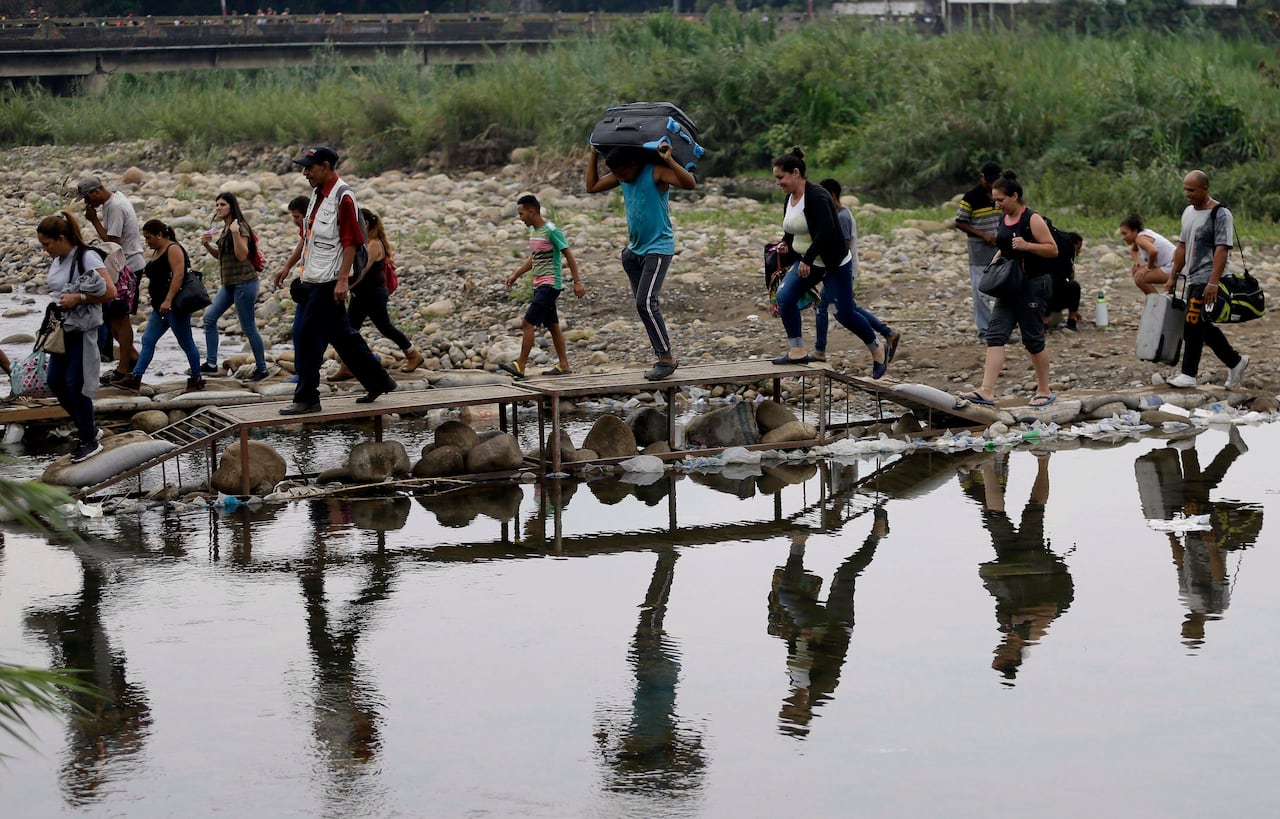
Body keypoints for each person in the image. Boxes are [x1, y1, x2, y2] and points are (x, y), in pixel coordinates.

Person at [272, 146, 397, 415]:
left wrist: (343, 279)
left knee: (306, 336)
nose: (305, 172)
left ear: (326, 166)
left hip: (330, 279)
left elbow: (351, 240)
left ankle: (307, 398)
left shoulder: (344, 197)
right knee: (342, 336)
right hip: (314, 277)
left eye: (310, 167)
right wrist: (287, 267)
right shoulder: (317, 194)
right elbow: (308, 238)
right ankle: (379, 380)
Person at [769, 149, 886, 377]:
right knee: (784, 297)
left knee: (844, 313)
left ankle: (878, 348)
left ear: (795, 173)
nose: (777, 183)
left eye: (780, 177)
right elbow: (791, 229)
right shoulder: (790, 197)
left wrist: (807, 259)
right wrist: (785, 242)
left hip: (833, 263)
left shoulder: (818, 196)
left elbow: (826, 231)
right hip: (808, 261)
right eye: (776, 178)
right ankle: (797, 350)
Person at [585, 142, 696, 381]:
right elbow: (591, 186)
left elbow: (690, 184)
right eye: (617, 174)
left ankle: (666, 359)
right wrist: (594, 154)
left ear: (634, 164)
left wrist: (668, 159)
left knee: (645, 303)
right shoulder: (622, 176)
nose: (621, 178)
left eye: (623, 173)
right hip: (633, 252)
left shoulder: (655, 171)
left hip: (658, 248)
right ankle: (662, 355)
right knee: (642, 305)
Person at [963, 171, 1058, 407]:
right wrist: (995, 262)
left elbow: (1052, 249)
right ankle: (987, 391)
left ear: (1015, 196)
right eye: (995, 200)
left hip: (1033, 285)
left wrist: (1027, 245)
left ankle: (1044, 390)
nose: (997, 204)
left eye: (1001, 200)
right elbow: (1005, 246)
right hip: (1009, 286)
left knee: (1033, 340)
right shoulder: (1003, 219)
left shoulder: (1032, 219)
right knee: (995, 336)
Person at [36, 211, 115, 463]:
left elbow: (110, 292)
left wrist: (79, 298)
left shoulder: (86, 256)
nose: (44, 249)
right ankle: (88, 427)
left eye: (46, 244)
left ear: (61, 238)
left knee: (75, 382)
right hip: (64, 328)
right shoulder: (58, 259)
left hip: (86, 330)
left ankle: (89, 439)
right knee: (56, 382)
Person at [1166, 170, 1250, 389]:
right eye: (1185, 189)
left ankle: (1188, 374)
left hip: (1209, 277)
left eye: (1191, 190)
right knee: (1201, 324)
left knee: (1192, 323)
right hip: (1192, 277)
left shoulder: (1220, 214)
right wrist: (1173, 275)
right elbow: (1182, 247)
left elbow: (1222, 249)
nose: (1187, 194)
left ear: (1205, 189)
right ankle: (1235, 361)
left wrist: (1213, 282)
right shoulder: (1187, 213)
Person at [329, 208, 424, 381]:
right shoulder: (364, 242)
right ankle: (348, 366)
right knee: (350, 329)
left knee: (382, 326)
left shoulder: (373, 245)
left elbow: (362, 272)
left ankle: (413, 355)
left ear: (365, 223)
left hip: (373, 294)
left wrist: (344, 287)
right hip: (362, 294)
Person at [498, 194, 586, 379]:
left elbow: (569, 256)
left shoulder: (552, 230)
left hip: (550, 283)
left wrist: (577, 282)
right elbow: (535, 257)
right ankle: (564, 365)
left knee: (528, 323)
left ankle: (520, 365)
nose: (520, 218)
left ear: (532, 211)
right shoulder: (534, 231)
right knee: (553, 325)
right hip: (540, 284)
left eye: (521, 214)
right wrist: (516, 274)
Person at [815, 177, 900, 364]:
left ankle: (820, 350)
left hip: (842, 271)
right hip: (838, 271)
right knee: (845, 308)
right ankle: (888, 332)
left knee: (827, 307)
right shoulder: (837, 215)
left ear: (832, 195)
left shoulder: (842, 217)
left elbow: (841, 249)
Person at [116, 220, 204, 393]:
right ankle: (136, 377)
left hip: (174, 305)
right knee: (148, 340)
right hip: (160, 307)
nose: (147, 242)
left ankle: (196, 378)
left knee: (186, 342)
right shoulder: (158, 250)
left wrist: (169, 300)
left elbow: (178, 276)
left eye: (149, 238)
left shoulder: (173, 249)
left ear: (159, 235)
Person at [198, 192, 269, 381]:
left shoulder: (240, 227)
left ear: (231, 206)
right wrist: (207, 245)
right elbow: (221, 256)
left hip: (245, 283)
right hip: (229, 284)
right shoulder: (225, 228)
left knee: (249, 327)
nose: (218, 208)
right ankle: (211, 364)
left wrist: (236, 233)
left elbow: (241, 255)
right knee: (209, 318)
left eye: (222, 204)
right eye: (217, 205)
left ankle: (262, 369)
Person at [77, 175, 141, 381]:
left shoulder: (113, 207)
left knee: (119, 319)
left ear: (96, 192)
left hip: (125, 267)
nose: (88, 203)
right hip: (125, 264)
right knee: (116, 319)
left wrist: (94, 220)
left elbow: (112, 242)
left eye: (88, 198)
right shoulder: (116, 198)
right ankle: (133, 360)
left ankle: (124, 369)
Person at [954, 161, 1003, 339]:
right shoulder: (971, 197)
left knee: (1004, 290)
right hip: (979, 251)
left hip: (1001, 249)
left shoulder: (1002, 194)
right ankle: (985, 330)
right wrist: (982, 235)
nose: (991, 185)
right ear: (982, 178)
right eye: (988, 181)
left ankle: (1001, 328)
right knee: (981, 292)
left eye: (994, 182)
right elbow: (959, 222)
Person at [1120, 213, 1175, 296]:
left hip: (1175, 267)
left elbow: (1153, 251)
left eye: (1125, 233)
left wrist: (1148, 268)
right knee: (1138, 272)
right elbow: (1134, 251)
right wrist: (1137, 262)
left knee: (1140, 279)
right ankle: (1159, 301)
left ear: (1134, 231)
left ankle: (1156, 303)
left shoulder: (1140, 239)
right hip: (1173, 264)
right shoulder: (1142, 235)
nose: (1123, 238)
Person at [1046, 231, 1083, 331]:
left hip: (1045, 299)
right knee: (1074, 286)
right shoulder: (1065, 256)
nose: (1078, 253)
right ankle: (1071, 320)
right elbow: (1069, 278)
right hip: (1049, 297)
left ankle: (1044, 322)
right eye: (1078, 248)